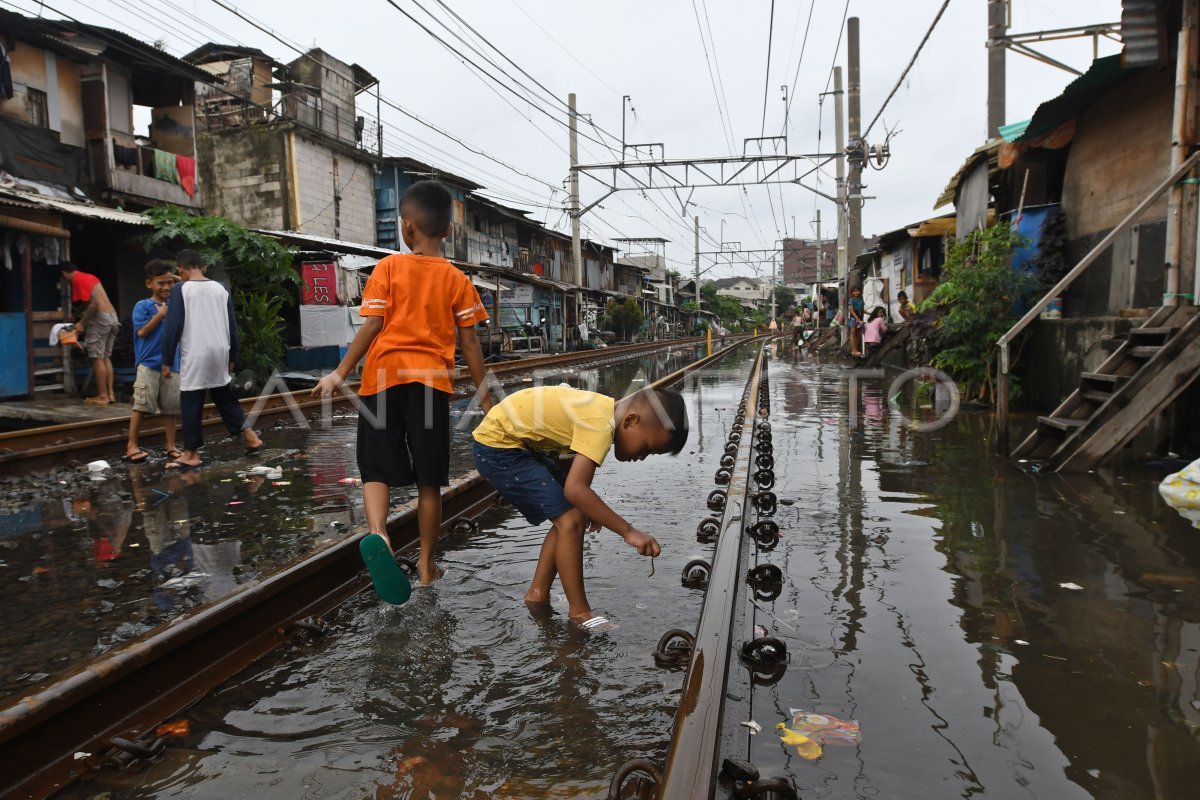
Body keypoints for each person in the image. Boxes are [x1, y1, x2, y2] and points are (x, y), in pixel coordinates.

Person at [312, 180, 491, 600]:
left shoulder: (388, 269)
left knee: (375, 468)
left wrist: (339, 373)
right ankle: (428, 566)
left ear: (406, 229)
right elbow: (469, 344)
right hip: (430, 386)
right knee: (429, 481)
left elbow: (372, 325)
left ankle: (381, 537)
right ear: (447, 231)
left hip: (382, 380)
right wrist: (485, 396)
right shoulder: (457, 280)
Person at [472, 385, 688, 631]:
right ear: (631, 421)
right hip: (499, 446)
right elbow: (575, 489)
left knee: (572, 517)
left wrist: (588, 509)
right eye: (647, 448)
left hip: (513, 442)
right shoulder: (600, 424)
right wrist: (628, 531)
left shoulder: (601, 412)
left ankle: (537, 595)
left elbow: (577, 487)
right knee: (571, 518)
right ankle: (580, 613)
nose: (642, 457)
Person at [160, 249, 263, 470]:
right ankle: (251, 437)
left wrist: (167, 359)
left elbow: (173, 325)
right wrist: (232, 355)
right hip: (220, 351)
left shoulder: (181, 289)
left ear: (180, 270)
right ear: (204, 267)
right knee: (224, 396)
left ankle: (190, 453)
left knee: (190, 400)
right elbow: (232, 325)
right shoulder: (220, 289)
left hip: (196, 352)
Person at [125, 260, 181, 462]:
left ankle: (171, 446)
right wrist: (159, 316)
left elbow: (189, 283)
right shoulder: (143, 305)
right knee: (141, 405)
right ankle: (132, 445)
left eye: (169, 283)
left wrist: (172, 276)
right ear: (149, 284)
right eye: (160, 283)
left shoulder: (175, 303)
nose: (166, 287)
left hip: (173, 363)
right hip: (148, 363)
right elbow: (141, 332)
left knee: (171, 408)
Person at [61, 262, 118, 405]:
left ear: (64, 274)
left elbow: (94, 304)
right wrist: (76, 316)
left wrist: (82, 323)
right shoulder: (89, 277)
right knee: (105, 357)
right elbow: (87, 302)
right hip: (112, 317)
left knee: (96, 358)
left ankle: (103, 396)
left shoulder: (77, 280)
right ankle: (110, 394)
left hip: (100, 319)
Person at [847, 286, 866, 357]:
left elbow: (862, 310)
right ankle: (853, 350)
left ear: (860, 292)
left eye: (857, 291)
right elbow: (851, 310)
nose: (856, 293)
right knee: (853, 334)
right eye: (854, 291)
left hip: (860, 318)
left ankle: (856, 349)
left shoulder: (861, 300)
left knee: (858, 334)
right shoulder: (851, 300)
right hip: (853, 318)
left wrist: (870, 313)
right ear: (852, 292)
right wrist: (857, 318)